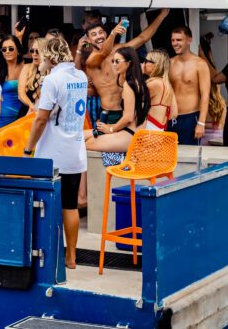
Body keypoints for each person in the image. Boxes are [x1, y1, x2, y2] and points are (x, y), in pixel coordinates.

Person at [23, 37, 88, 270]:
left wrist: (28, 148)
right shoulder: (80, 76)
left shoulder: (52, 80)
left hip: (52, 153)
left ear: (50, 56)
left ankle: (48, 254)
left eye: (40, 53)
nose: (37, 57)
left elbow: (41, 118)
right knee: (70, 205)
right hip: (74, 150)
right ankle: (71, 257)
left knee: (45, 205)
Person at [84, 9, 169, 130]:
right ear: (88, 40)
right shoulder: (91, 60)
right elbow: (103, 53)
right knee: (108, 148)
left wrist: (162, 16)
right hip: (109, 113)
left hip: (128, 112)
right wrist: (113, 33)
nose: (99, 36)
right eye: (94, 34)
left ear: (105, 34)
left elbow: (142, 38)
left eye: (101, 32)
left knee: (130, 147)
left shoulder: (119, 50)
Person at [85, 46, 150, 160]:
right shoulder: (135, 81)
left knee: (86, 143)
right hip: (130, 132)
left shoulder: (130, 85)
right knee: (80, 137)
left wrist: (110, 129)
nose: (114, 64)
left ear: (129, 63)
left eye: (117, 61)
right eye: (113, 61)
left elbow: (128, 117)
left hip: (132, 135)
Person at [169, 26, 211, 145]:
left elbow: (205, 95)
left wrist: (201, 123)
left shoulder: (200, 64)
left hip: (190, 118)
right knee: (168, 159)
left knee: (189, 158)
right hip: (169, 118)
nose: (175, 43)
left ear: (189, 40)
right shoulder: (169, 62)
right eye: (173, 40)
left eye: (179, 40)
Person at [0, 35, 24, 129]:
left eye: (11, 49)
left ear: (17, 50)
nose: (7, 52)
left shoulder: (26, 67)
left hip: (21, 117)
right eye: (4, 49)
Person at [143, 49, 178, 130]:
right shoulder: (167, 84)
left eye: (146, 61)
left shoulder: (152, 84)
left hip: (148, 129)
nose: (143, 63)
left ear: (156, 65)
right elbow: (174, 113)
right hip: (159, 129)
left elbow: (132, 107)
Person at [18, 37, 46, 116]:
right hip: (27, 113)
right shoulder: (27, 68)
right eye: (32, 51)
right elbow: (21, 94)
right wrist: (32, 106)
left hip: (45, 115)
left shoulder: (52, 71)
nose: (34, 54)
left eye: (37, 51)